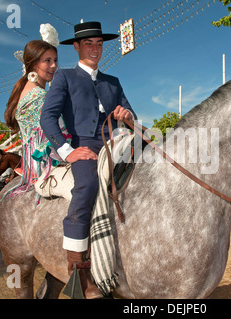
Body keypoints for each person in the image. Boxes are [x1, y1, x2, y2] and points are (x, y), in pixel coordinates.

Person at [40, 21, 137, 298]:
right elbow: (47, 117)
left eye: (99, 43)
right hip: (84, 146)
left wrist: (127, 117)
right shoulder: (64, 77)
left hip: (118, 140)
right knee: (87, 186)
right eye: (88, 44)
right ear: (77, 47)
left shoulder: (113, 82)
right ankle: (78, 271)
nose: (95, 49)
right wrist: (68, 150)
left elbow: (133, 116)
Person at [4, 39, 59, 195]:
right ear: (34, 64)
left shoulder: (27, 90)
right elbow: (54, 133)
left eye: (55, 60)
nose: (54, 65)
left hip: (31, 164)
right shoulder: (39, 95)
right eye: (47, 61)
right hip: (46, 164)